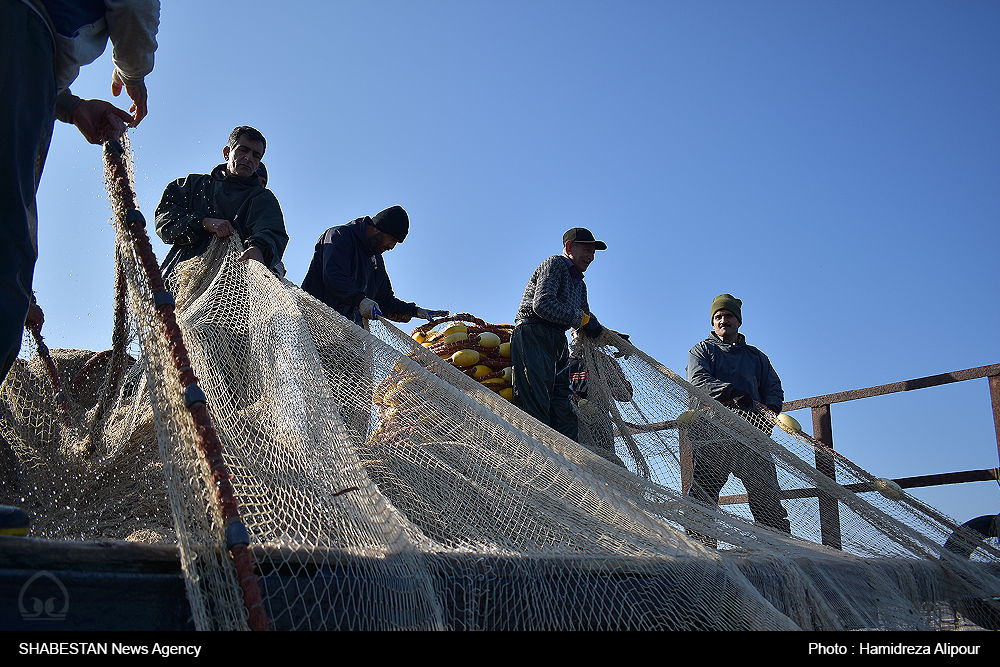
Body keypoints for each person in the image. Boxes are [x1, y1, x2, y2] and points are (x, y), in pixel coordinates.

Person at [1, 0, 159, 384]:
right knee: (8, 238)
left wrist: (71, 107)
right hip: (23, 33)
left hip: (30, 60)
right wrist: (133, 71)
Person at [685, 294, 791, 535]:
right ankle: (699, 551)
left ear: (738, 321)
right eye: (718, 317)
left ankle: (779, 551)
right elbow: (699, 382)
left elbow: (773, 387)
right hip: (713, 435)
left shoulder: (756, 357)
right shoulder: (701, 350)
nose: (723, 320)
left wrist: (771, 412)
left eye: (728, 316)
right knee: (704, 496)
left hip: (752, 436)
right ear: (712, 323)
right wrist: (732, 393)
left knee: (767, 498)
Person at [154, 126, 288, 282]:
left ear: (258, 164)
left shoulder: (263, 199)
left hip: (231, 288)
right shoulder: (194, 185)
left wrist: (258, 250)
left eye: (255, 155)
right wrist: (203, 223)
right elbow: (164, 221)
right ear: (226, 153)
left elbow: (272, 233)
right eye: (242, 150)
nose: (248, 158)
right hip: (176, 280)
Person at [511, 228, 606, 440]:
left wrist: (603, 333)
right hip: (533, 334)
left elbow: (585, 316)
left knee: (563, 408)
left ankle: (569, 463)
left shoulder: (580, 284)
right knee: (536, 403)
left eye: (593, 252)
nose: (590, 257)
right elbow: (542, 304)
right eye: (586, 250)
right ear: (569, 247)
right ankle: (538, 458)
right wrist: (583, 320)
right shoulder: (554, 264)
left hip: (557, 340)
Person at [301, 206, 448, 327]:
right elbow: (333, 275)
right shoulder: (339, 236)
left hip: (350, 338)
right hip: (316, 326)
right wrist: (360, 300)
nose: (392, 246)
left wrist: (414, 311)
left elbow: (384, 302)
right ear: (377, 228)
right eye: (392, 239)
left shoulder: (376, 261)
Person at [570, 331, 632, 467]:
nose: (579, 337)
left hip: (601, 423)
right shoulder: (565, 360)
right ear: (571, 335)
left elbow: (626, 393)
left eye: (582, 333)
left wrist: (605, 388)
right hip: (573, 422)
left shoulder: (607, 361)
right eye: (576, 334)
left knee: (606, 466)